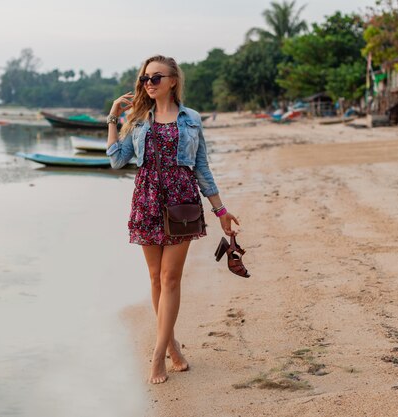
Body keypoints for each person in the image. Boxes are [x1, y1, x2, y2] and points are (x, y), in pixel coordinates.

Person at [105, 55, 239, 384]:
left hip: (182, 201)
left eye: (155, 78)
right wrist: (112, 118)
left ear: (173, 81)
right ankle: (173, 346)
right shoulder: (137, 117)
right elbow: (117, 161)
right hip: (147, 201)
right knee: (155, 279)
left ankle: (157, 355)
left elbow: (202, 167)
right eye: (144, 79)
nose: (148, 84)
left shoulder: (191, 119)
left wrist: (220, 210)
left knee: (171, 279)